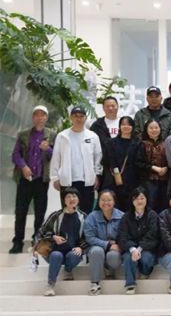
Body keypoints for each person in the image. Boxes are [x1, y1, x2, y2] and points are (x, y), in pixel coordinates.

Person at [118, 187, 171, 295]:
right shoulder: (126, 217)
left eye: (142, 198)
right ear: (132, 200)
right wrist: (133, 249)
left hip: (147, 249)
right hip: (131, 249)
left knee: (147, 258)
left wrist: (139, 248)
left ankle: (145, 272)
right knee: (128, 257)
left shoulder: (152, 215)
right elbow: (122, 236)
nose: (139, 201)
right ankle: (130, 284)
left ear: (147, 199)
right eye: (136, 198)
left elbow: (153, 236)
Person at [10, 105, 56, 253]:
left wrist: (47, 149)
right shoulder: (23, 134)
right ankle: (18, 241)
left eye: (43, 115)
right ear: (33, 117)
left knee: (40, 212)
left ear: (46, 117)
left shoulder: (52, 135)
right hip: (25, 180)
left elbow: (57, 156)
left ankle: (37, 240)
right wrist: (23, 167)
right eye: (37, 115)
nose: (39, 118)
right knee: (21, 211)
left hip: (42, 180)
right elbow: (15, 155)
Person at [50, 106, 103, 214]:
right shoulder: (62, 136)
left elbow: (98, 157)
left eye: (81, 116)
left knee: (86, 213)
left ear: (85, 118)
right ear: (71, 118)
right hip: (67, 181)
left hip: (87, 182)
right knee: (68, 212)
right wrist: (55, 177)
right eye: (75, 116)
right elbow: (56, 158)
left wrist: (97, 175)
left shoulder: (93, 136)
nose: (78, 119)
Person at [38, 187, 88, 296]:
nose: (72, 199)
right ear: (64, 200)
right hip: (54, 251)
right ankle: (50, 285)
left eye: (74, 196)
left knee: (74, 254)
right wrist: (53, 237)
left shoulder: (83, 216)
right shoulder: (56, 215)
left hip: (72, 251)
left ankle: (68, 270)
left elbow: (88, 236)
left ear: (78, 199)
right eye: (68, 197)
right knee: (56, 255)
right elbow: (41, 232)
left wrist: (81, 247)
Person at [84, 190, 124, 295]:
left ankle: (109, 268)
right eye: (103, 200)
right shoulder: (92, 217)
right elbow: (89, 237)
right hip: (96, 247)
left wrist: (119, 244)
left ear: (114, 201)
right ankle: (95, 283)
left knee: (113, 257)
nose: (106, 202)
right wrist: (108, 244)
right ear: (98, 201)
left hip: (115, 248)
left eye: (109, 200)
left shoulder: (122, 216)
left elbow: (126, 235)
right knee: (97, 251)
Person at [136, 119, 169, 213]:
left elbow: (170, 160)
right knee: (151, 204)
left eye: (156, 127)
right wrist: (154, 168)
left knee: (164, 205)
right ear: (146, 129)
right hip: (148, 180)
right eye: (151, 128)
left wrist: (166, 168)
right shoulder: (142, 144)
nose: (154, 130)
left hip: (165, 180)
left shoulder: (166, 143)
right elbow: (138, 163)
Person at [108, 116, 138, 212]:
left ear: (133, 127)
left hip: (133, 181)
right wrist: (117, 175)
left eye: (129, 125)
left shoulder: (137, 143)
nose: (126, 127)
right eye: (123, 124)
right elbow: (111, 160)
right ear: (119, 126)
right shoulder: (112, 142)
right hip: (117, 180)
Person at [90, 96, 120, 189]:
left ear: (117, 106)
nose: (110, 108)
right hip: (104, 167)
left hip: (122, 166)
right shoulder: (97, 125)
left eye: (113, 106)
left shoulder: (125, 123)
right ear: (103, 108)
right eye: (107, 106)